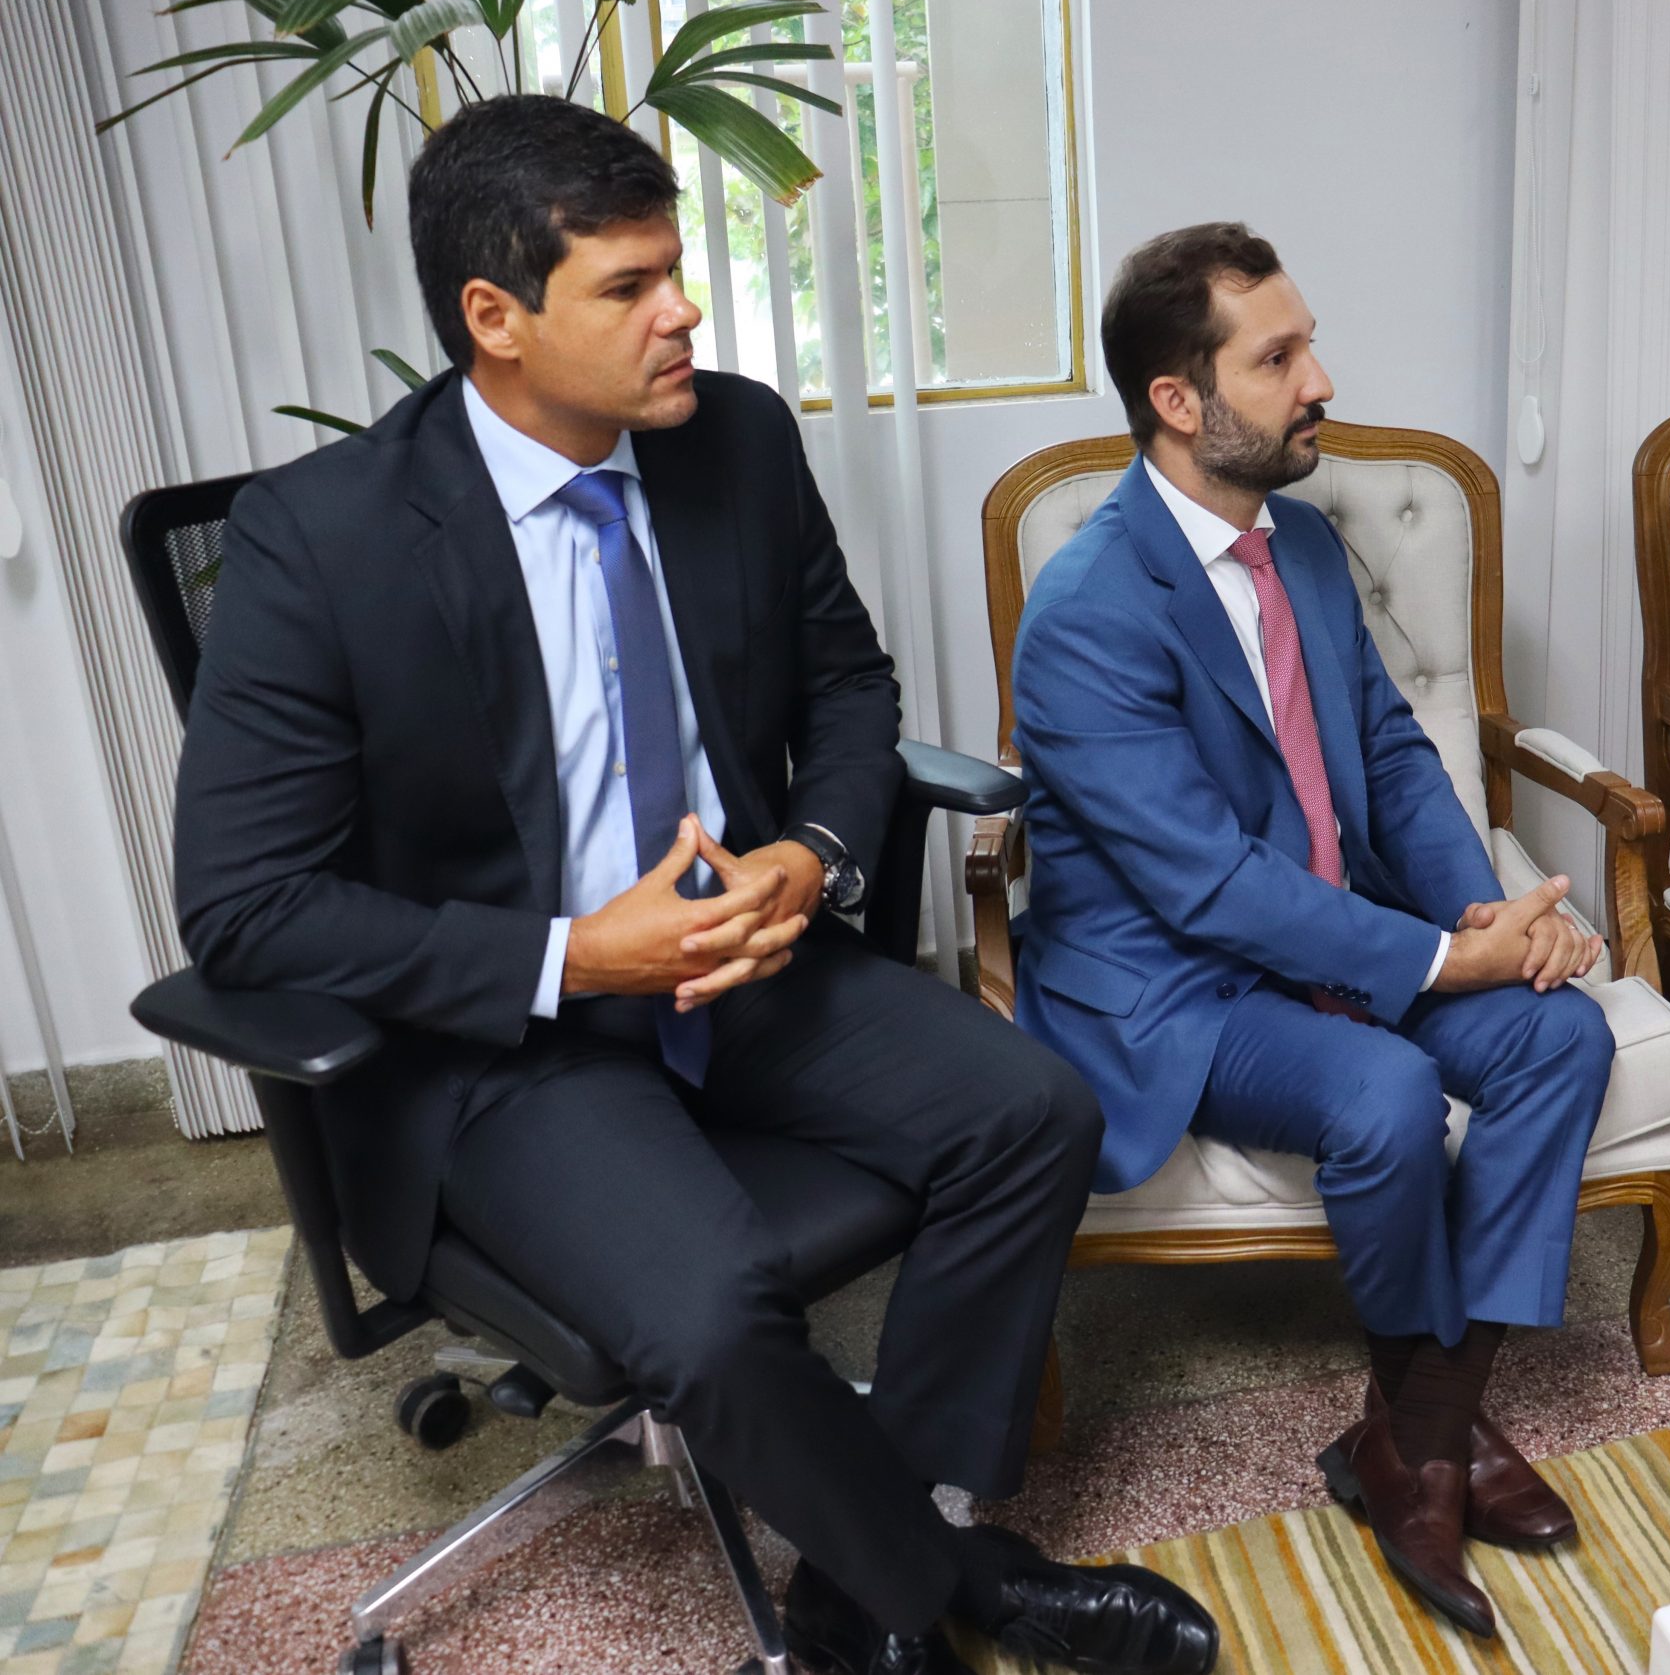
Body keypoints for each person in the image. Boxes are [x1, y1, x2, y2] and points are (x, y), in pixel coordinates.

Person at [172, 95, 1215, 1675]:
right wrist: (575, 954)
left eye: (678, 268)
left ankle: (859, 1579)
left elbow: (849, 686)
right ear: (496, 317)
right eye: (631, 284)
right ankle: (949, 1582)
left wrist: (811, 854)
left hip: (748, 965)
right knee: (718, 1311)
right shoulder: (324, 541)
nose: (686, 311)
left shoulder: (735, 439)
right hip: (511, 1041)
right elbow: (245, 907)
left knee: (1035, 1113)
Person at [1008, 222, 1617, 1638]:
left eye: (1309, 348)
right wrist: (1438, 961)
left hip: (1341, 930)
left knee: (1560, 1039)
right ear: (1179, 399)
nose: (1320, 382)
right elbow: (1206, 885)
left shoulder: (1309, 549)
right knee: (1386, 1089)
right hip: (1183, 982)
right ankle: (1434, 1442)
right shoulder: (1088, 608)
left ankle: (1416, 1436)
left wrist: (1482, 909)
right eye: (1277, 359)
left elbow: (1392, 757)